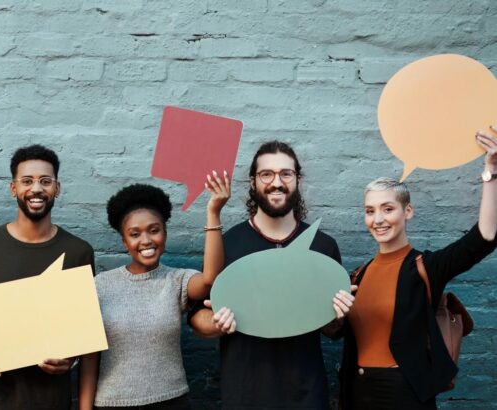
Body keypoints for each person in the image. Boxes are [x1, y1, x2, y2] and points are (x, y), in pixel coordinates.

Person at [188, 140, 356, 410]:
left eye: (285, 174)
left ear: (298, 180)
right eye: (266, 174)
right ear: (253, 182)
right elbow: (197, 318)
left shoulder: (323, 246)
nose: (276, 182)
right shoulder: (227, 244)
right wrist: (216, 322)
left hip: (307, 396)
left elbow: (333, 331)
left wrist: (338, 315)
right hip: (244, 396)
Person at [339, 128, 497, 410]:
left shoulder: (426, 267)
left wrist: (491, 171)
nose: (378, 219)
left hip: (406, 396)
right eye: (370, 210)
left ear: (407, 212)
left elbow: (485, 236)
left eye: (388, 209)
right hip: (357, 395)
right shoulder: (357, 276)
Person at [0, 144, 95, 409]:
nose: (36, 189)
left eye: (45, 181)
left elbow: (84, 332)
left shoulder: (78, 252)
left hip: (51, 401)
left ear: (57, 189)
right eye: (27, 181)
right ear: (13, 188)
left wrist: (70, 360)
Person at [79, 174, 231, 410]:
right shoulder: (100, 286)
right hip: (112, 404)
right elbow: (90, 358)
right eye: (135, 234)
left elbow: (210, 279)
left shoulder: (176, 280)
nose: (146, 240)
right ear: (124, 242)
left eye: (154, 230)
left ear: (165, 234)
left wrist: (213, 212)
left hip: (172, 402)